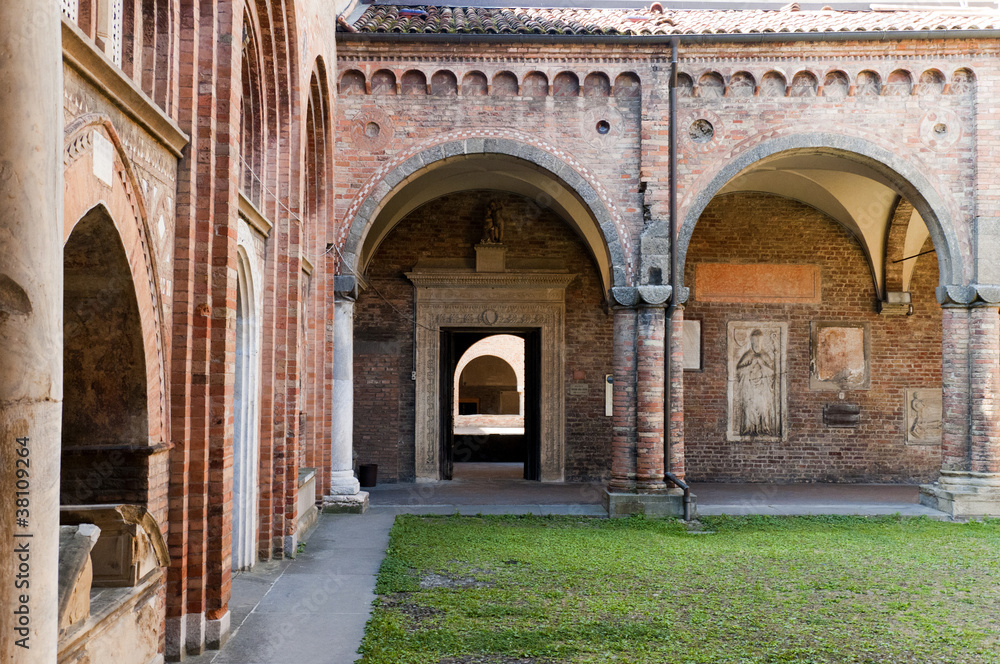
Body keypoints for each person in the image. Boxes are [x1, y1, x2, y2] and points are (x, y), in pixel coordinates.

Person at [735, 328, 776, 437]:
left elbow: (772, 372)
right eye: (754, 341)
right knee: (749, 407)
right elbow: (738, 370)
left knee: (763, 407)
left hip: (762, 387)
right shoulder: (748, 355)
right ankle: (749, 429)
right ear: (751, 341)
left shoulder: (765, 355)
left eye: (758, 341)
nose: (756, 344)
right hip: (750, 387)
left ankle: (764, 428)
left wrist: (762, 364)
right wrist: (751, 364)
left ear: (762, 341)